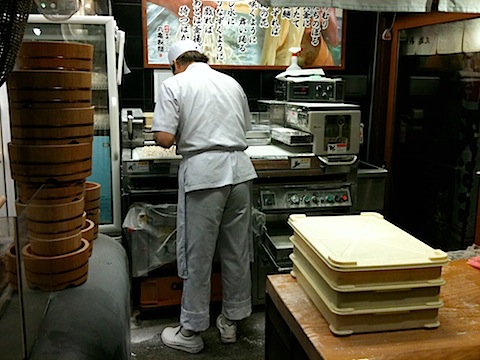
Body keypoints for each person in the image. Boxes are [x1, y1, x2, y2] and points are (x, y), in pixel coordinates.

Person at [151, 39, 258, 354]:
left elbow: (164, 137)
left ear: (176, 63)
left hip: (204, 175)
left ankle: (191, 330)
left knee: (197, 255)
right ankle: (231, 321)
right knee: (237, 252)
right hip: (240, 172)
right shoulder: (231, 83)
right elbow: (245, 128)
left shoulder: (174, 84)